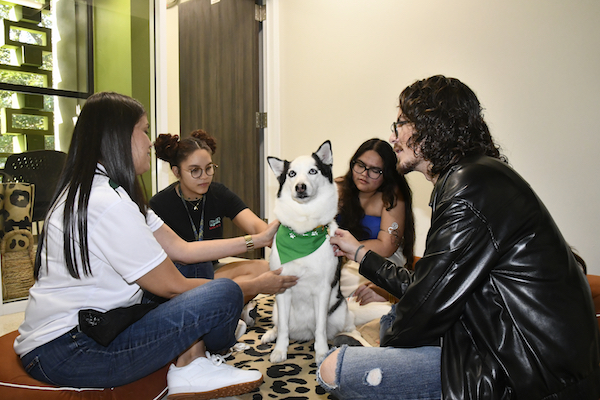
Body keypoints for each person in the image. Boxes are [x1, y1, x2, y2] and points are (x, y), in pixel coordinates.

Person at [318, 76, 600, 399]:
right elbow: (428, 288)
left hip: (524, 377)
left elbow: (424, 306)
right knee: (394, 317)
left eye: (400, 124)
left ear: (431, 125)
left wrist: (391, 351)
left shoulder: (467, 187)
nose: (392, 137)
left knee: (333, 369)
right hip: (509, 353)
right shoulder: (476, 175)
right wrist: (360, 255)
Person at [13, 92, 283, 399]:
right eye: (143, 130)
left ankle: (192, 361)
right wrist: (251, 286)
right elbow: (171, 287)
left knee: (197, 267)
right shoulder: (106, 203)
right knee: (223, 293)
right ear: (118, 138)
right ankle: (199, 358)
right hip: (72, 351)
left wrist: (258, 240)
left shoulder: (106, 190)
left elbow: (182, 249)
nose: (149, 142)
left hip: (96, 328)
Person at [151, 130, 296, 306]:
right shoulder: (159, 205)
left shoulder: (218, 193)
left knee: (264, 268)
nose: (204, 176)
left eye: (209, 168)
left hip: (212, 271)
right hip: (179, 279)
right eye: (194, 171)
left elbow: (256, 226)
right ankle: (226, 311)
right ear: (176, 171)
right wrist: (257, 240)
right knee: (223, 287)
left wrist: (291, 242)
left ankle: (227, 311)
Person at [336, 138, 414, 305]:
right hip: (344, 256)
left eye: (375, 170)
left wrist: (347, 248)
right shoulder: (338, 187)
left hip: (383, 259)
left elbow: (387, 245)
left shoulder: (392, 197)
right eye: (360, 165)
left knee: (349, 280)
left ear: (387, 174)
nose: (364, 174)